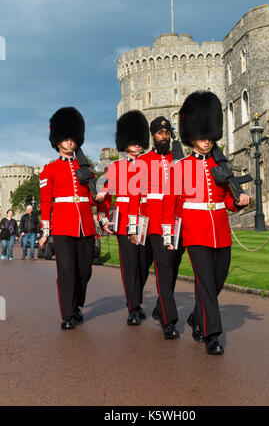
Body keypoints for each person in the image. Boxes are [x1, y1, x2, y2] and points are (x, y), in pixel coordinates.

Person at [161, 91, 251, 354]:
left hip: (220, 228)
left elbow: (226, 199)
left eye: (210, 135)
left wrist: (239, 202)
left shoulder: (220, 165)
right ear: (192, 137)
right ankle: (212, 336)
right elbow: (170, 202)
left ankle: (197, 318)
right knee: (206, 283)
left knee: (218, 280)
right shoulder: (180, 167)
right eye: (202, 135)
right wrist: (169, 234)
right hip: (194, 229)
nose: (206, 140)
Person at [39, 107, 103, 330]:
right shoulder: (49, 170)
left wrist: (99, 196)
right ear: (57, 142)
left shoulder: (85, 167)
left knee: (84, 271)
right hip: (63, 225)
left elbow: (94, 199)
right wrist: (46, 231)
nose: (69, 142)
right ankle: (67, 313)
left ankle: (76, 304)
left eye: (72, 138)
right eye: (65, 138)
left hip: (85, 225)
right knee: (66, 270)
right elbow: (46, 202)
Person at [128, 116, 185, 340]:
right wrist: (133, 227)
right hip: (152, 220)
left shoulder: (178, 159)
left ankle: (162, 308)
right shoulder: (142, 161)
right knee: (158, 267)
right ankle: (168, 320)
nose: (164, 136)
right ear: (153, 136)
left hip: (177, 220)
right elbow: (134, 195)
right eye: (160, 133)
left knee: (172, 266)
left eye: (167, 133)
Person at [98, 110, 150, 326]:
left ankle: (136, 299)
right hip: (124, 220)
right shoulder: (115, 167)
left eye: (139, 141)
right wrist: (103, 218)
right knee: (129, 265)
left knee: (144, 264)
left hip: (146, 221)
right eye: (132, 141)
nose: (137, 145)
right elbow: (105, 195)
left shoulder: (150, 165)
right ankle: (133, 307)